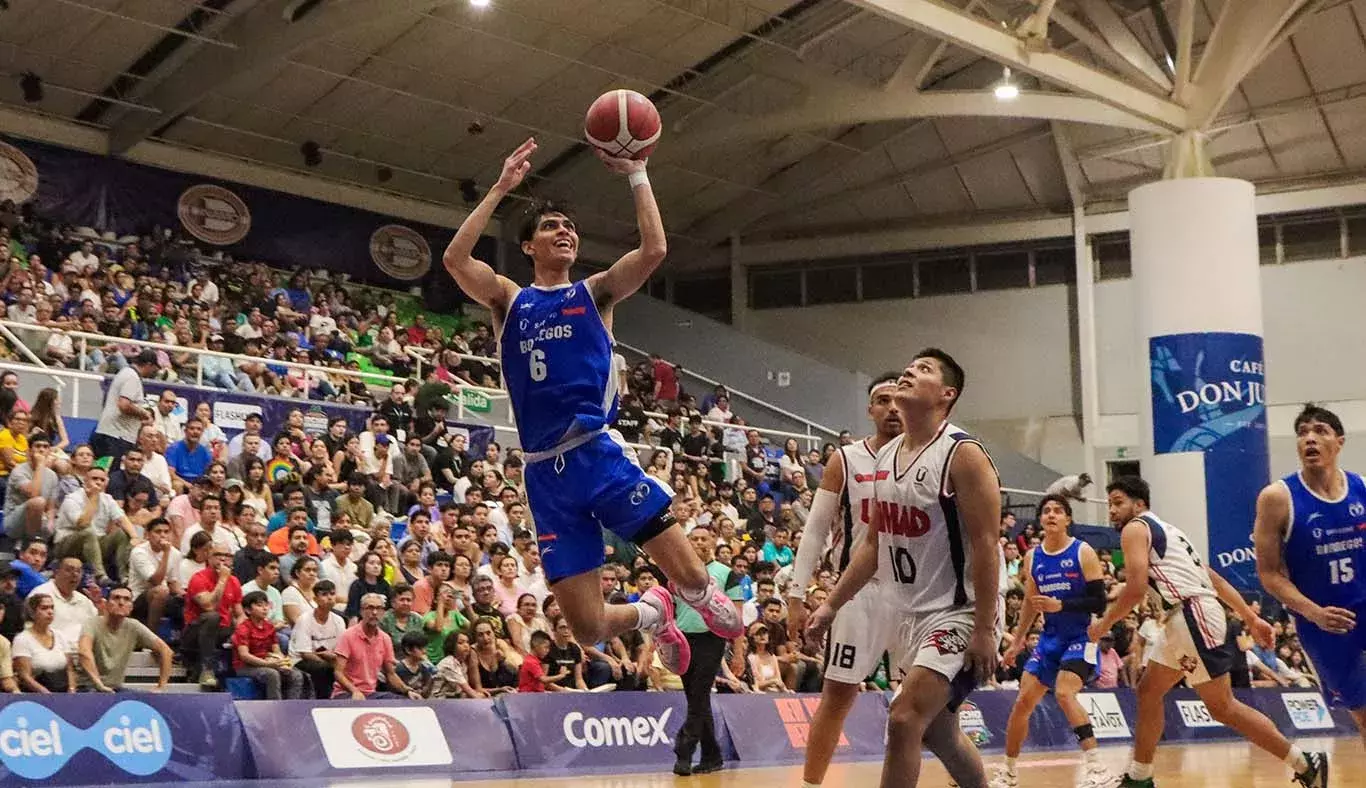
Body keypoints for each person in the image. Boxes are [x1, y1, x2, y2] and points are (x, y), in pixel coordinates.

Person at [442, 138, 742, 672]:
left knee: (695, 578)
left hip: (596, 455)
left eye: (569, 227)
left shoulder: (595, 293)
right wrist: (501, 188)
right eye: (550, 226)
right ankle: (653, 613)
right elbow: (454, 259)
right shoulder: (511, 299)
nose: (564, 232)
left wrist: (638, 173)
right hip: (543, 474)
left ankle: (691, 593)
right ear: (529, 246)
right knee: (586, 627)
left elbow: (653, 251)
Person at [808, 349, 1002, 788]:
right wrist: (831, 605)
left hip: (962, 609)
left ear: (946, 395)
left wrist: (985, 629)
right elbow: (874, 544)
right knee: (937, 731)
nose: (911, 371)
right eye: (911, 366)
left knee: (903, 718)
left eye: (925, 369)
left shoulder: (962, 454)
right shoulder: (888, 455)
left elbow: (987, 545)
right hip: (911, 614)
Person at [1091, 476, 1326, 788]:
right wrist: (1250, 618)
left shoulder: (1136, 528)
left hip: (1190, 616)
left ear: (1139, 504)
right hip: (1187, 617)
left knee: (1222, 706)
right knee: (1148, 691)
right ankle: (1140, 777)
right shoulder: (1171, 533)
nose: (1112, 511)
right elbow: (1214, 579)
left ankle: (1304, 762)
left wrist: (1103, 625)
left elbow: (1135, 589)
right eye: (1109, 505)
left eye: (1118, 503)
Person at [1254, 404, 1366, 745]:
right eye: (1303, 433)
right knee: (1363, 713)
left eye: (1320, 431)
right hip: (1324, 622)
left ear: (1340, 442)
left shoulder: (1361, 486)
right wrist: (1313, 612)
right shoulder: (1278, 498)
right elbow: (1269, 574)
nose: (1310, 439)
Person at [991, 495, 1112, 788]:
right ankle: (1008, 772)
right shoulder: (1033, 557)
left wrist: (1062, 605)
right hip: (1049, 640)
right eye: (1046, 511)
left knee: (1064, 693)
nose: (1052, 515)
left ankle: (1097, 768)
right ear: (1040, 520)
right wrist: (1017, 641)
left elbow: (1099, 602)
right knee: (1022, 702)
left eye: (1058, 511)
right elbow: (1032, 604)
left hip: (1080, 636)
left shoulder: (1082, 552)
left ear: (1068, 519)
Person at [672, 528, 740, 776]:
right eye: (695, 538)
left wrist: (739, 652)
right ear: (687, 542)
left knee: (699, 693)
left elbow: (737, 614)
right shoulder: (677, 571)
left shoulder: (726, 573)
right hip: (683, 639)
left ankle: (684, 749)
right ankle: (712, 755)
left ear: (713, 541)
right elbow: (669, 607)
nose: (699, 542)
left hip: (713, 639)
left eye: (704, 538)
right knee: (696, 699)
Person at [77, 584, 173, 692]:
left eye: (126, 599)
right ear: (107, 604)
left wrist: (161, 687)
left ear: (131, 607)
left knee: (144, 700)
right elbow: (84, 652)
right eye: (116, 598)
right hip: (88, 687)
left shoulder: (133, 626)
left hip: (116, 689)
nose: (121, 603)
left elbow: (166, 651)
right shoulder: (92, 623)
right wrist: (99, 684)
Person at [332, 592, 424, 700]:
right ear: (361, 611)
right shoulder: (348, 635)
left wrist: (407, 690)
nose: (374, 612)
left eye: (379, 608)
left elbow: (390, 674)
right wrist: (355, 691)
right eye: (370, 608)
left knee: (403, 701)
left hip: (370, 695)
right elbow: (338, 672)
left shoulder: (385, 638)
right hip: (346, 694)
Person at [183, 545, 245, 689]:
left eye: (227, 555)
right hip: (195, 632)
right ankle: (207, 670)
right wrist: (222, 579)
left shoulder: (234, 581)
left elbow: (239, 613)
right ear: (209, 558)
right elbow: (209, 606)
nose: (223, 559)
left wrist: (240, 629)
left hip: (221, 631)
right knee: (212, 617)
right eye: (218, 555)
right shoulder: (198, 578)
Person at [233, 590, 306, 700]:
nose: (265, 608)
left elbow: (276, 650)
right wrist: (267, 664)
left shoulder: (269, 627)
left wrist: (283, 663)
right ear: (248, 610)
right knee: (272, 674)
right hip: (245, 667)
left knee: (296, 674)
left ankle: (291, 706)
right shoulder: (243, 629)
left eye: (266, 605)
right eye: (259, 605)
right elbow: (244, 655)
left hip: (267, 662)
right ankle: (275, 706)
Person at [91, 349, 157, 462]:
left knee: (102, 472)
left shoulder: (125, 372)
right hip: (116, 438)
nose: (154, 371)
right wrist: (144, 413)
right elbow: (124, 405)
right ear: (149, 364)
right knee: (110, 474)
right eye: (155, 367)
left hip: (108, 434)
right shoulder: (132, 377)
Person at [289, 579, 346, 699]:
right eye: (324, 594)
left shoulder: (339, 620)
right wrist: (328, 661)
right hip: (300, 660)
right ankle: (323, 701)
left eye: (332, 594)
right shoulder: (304, 619)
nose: (329, 598)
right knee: (324, 669)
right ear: (315, 599)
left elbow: (342, 650)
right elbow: (305, 654)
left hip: (329, 658)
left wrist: (335, 660)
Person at [13, 593, 75, 693]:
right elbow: (25, 676)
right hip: (35, 694)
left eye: (52, 608)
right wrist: (45, 693)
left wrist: (72, 689)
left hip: (62, 690)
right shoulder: (22, 639)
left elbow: (70, 669)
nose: (50, 612)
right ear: (32, 613)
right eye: (44, 608)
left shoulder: (60, 636)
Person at [5, 431, 60, 541]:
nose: (41, 450)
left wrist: (50, 523)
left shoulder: (52, 475)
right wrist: (40, 464)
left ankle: (39, 543)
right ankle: (31, 543)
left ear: (49, 451)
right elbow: (33, 494)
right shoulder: (19, 470)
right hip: (13, 521)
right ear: (30, 451)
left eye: (45, 447)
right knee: (38, 502)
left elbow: (50, 507)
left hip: (38, 520)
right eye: (37, 446)